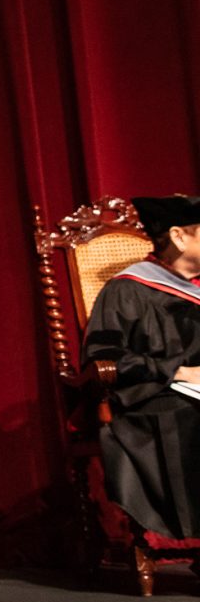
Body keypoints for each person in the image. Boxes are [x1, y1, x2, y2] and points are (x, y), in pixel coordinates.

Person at [83, 194, 200, 539]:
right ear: (179, 236)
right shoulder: (127, 290)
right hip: (153, 400)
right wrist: (178, 372)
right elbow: (105, 358)